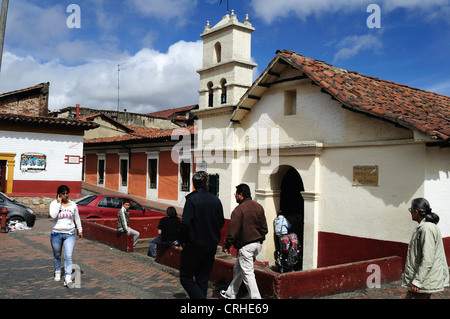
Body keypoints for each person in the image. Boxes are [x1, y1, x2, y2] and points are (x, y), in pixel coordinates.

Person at [179, 171, 224, 299]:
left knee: (186, 277)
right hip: (211, 245)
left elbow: (185, 223)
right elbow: (221, 222)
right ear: (206, 183)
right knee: (202, 279)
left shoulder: (192, 200)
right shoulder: (216, 200)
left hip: (194, 246)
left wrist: (183, 240)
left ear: (193, 184)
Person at [221, 183, 268, 299]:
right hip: (256, 244)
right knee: (239, 269)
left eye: (236, 194)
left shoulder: (238, 210)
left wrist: (227, 245)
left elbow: (232, 232)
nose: (235, 196)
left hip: (246, 246)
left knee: (248, 274)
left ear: (240, 194)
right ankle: (230, 293)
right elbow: (265, 229)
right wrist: (260, 240)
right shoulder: (259, 207)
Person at [402, 198, 449, 299]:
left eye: (411, 210)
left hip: (424, 281)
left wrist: (418, 281)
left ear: (416, 211)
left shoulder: (426, 228)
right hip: (426, 280)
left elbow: (428, 258)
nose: (410, 213)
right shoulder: (427, 227)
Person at [49, 185, 83, 289]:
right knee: (57, 254)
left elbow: (77, 218)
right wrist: (59, 204)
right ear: (59, 194)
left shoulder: (73, 204)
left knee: (68, 255)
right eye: (63, 193)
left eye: (67, 193)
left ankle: (68, 276)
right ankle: (57, 270)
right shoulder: (54, 204)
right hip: (56, 233)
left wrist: (80, 230)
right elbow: (53, 216)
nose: (65, 195)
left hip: (69, 234)